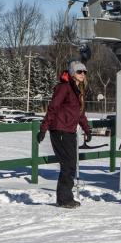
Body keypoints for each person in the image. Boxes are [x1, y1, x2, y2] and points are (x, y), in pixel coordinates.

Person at [37, 60, 92, 208]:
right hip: (60, 130)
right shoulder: (64, 88)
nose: (83, 74)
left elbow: (79, 113)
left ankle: (66, 197)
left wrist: (87, 129)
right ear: (73, 73)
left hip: (69, 131)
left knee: (70, 165)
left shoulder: (77, 90)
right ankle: (64, 199)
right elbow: (53, 108)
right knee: (67, 165)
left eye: (84, 72)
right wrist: (43, 128)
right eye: (80, 72)